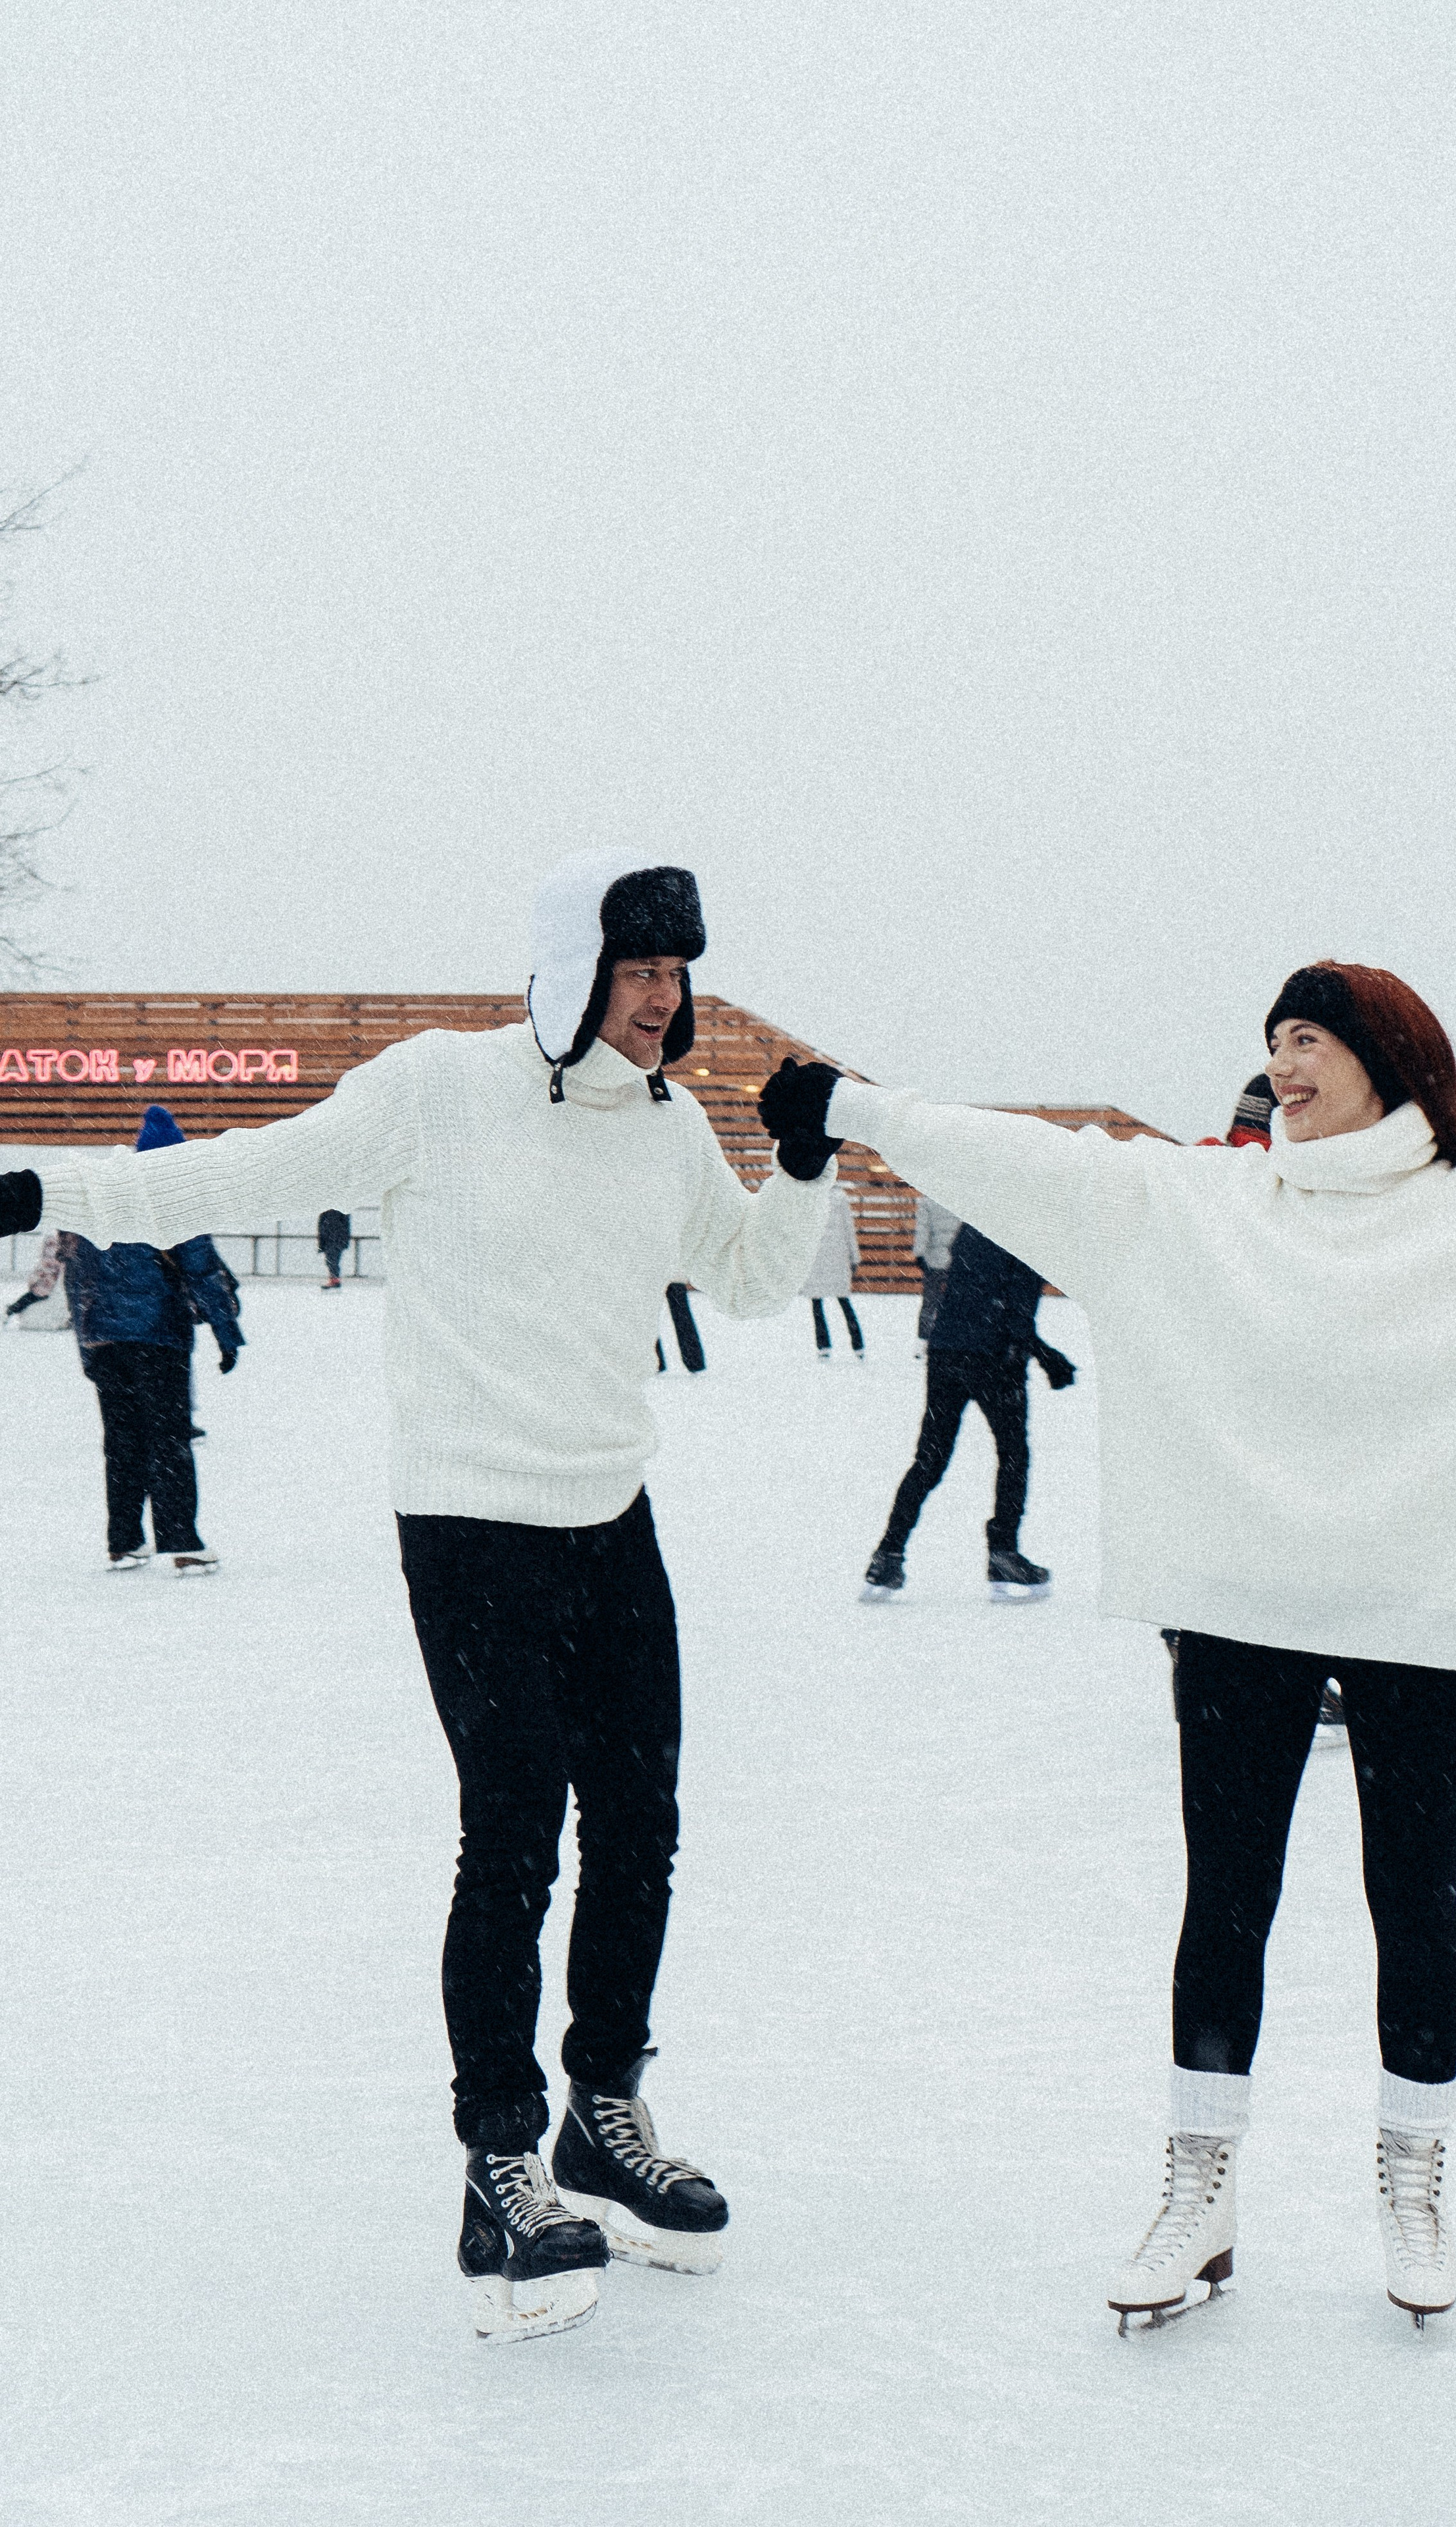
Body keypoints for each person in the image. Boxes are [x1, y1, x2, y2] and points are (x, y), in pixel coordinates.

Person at [759, 961, 1456, 2330]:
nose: (1282, 1063)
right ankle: (1200, 2196)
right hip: (1243, 1606)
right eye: (1271, 1042)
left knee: (1412, 1904)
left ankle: (1411, 2187)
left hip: (1414, 1611)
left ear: (1387, 1053)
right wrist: (858, 1104)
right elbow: (1027, 1160)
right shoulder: (1205, 1204)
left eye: (1306, 1037)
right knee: (1225, 1902)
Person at [0, 854, 832, 2348]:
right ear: (572, 970)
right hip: (468, 1521)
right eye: (639, 971)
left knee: (639, 1822)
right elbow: (240, 1170)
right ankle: (501, 2156)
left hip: (609, 1513)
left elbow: (755, 1279)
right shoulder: (437, 1089)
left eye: (676, 973)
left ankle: (603, 2113)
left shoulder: (666, 1126)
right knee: (515, 1831)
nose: (664, 1000)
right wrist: (53, 1184)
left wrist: (805, 1165)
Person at [59, 1106, 243, 1575]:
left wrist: (87, 1343)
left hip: (106, 1341)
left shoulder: (99, 1196)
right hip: (158, 1338)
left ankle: (123, 1541)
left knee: (121, 1440)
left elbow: (77, 1275)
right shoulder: (176, 1199)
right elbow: (202, 1272)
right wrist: (227, 1337)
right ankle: (182, 1541)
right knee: (168, 1440)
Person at [861, 1222, 1075, 1601]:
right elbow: (1016, 1316)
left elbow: (965, 1290)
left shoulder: (973, 1225)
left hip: (946, 1351)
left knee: (929, 1459)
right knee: (1013, 1455)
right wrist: (1049, 1359)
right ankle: (1004, 1552)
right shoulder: (1029, 1234)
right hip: (995, 1358)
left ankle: (887, 1555)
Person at [802, 1181, 865, 1360]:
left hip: (816, 1258)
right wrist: (855, 1258)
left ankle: (823, 1346)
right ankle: (858, 1345)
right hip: (838, 1256)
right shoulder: (840, 1197)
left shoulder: (809, 1196)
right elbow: (849, 1230)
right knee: (845, 1302)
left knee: (817, 1305)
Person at [912, 1191, 960, 1352]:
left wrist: (919, 1254)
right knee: (954, 1301)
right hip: (957, 1261)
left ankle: (922, 1342)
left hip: (934, 1261)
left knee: (929, 1302)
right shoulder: (958, 1201)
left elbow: (922, 1232)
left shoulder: (927, 1203)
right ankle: (951, 1338)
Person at [5, 1229, 68, 1323]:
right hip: (44, 1285)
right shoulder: (56, 1255)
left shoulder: (53, 1259)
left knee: (29, 1298)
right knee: (29, 1297)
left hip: (45, 1287)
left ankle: (13, 1309)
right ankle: (13, 1309)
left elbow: (47, 1268)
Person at [317, 1208, 353, 1288]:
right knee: (331, 1261)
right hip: (332, 1239)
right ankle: (334, 1279)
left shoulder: (329, 1212)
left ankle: (335, 1280)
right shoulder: (338, 1211)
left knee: (332, 1261)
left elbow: (322, 1226)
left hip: (334, 1240)